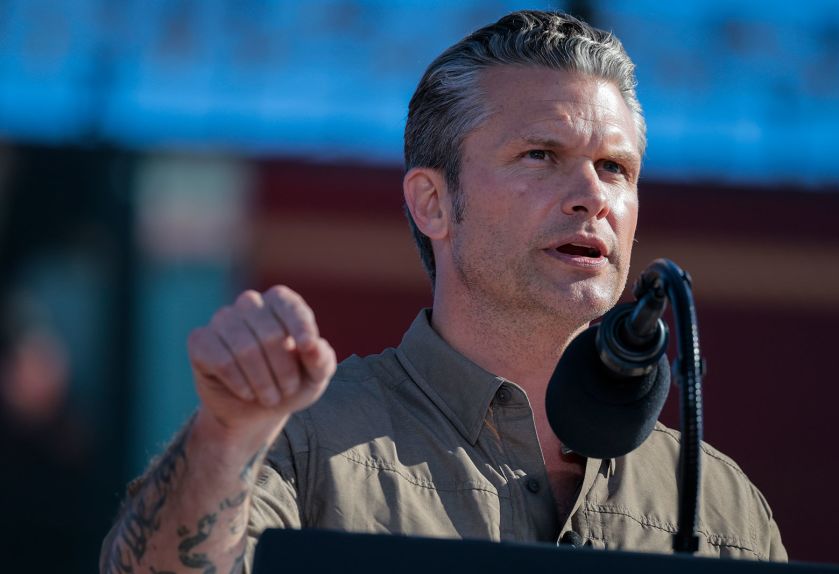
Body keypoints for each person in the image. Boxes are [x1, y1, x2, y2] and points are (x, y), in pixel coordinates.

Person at [100, 10, 786, 574]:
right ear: (433, 203)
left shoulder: (721, 503)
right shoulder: (301, 445)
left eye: (615, 168)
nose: (591, 197)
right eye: (541, 155)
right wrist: (225, 434)